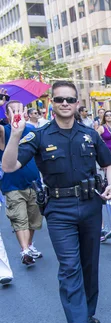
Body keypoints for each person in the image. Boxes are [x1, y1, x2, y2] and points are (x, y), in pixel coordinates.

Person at [1, 81, 111, 323]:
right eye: (59, 99)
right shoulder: (39, 136)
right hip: (59, 209)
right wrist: (15, 135)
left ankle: (88, 313)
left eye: (70, 99)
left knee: (89, 263)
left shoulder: (90, 134)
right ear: (51, 104)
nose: (65, 103)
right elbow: (9, 165)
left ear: (78, 104)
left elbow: (109, 164)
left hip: (90, 206)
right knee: (69, 265)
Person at [0, 99, 44, 266]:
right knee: (20, 218)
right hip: (12, 185)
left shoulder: (32, 130)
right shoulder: (4, 131)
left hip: (34, 183)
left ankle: (30, 245)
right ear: (7, 114)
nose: (17, 114)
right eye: (13, 111)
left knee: (33, 219)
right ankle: (24, 250)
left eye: (20, 110)